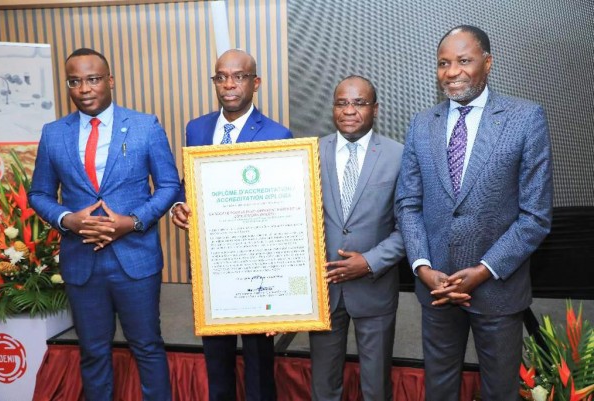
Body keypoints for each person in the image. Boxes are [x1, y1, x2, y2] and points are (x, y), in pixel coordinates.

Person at [395, 25, 553, 401]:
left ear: (488, 62)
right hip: (437, 289)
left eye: (463, 61)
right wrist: (423, 268)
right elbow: (407, 204)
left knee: (500, 392)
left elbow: (535, 215)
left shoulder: (525, 118)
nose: (452, 72)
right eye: (443, 63)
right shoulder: (421, 124)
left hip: (498, 288)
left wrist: (483, 271)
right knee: (439, 391)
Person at [28, 48, 180, 401]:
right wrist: (68, 219)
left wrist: (133, 221)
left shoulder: (145, 126)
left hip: (135, 260)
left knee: (147, 347)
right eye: (75, 81)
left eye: (93, 79)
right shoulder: (53, 133)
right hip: (82, 263)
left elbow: (169, 185)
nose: (84, 89)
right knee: (93, 353)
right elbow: (39, 193)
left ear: (110, 81)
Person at [171, 49, 292, 401]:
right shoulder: (196, 128)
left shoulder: (277, 134)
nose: (229, 84)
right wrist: (179, 204)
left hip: (256, 271)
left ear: (256, 83)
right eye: (221, 77)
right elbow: (187, 182)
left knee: (259, 365)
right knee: (217, 363)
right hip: (211, 268)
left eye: (238, 76)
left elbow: (283, 207)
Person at [309, 75, 406, 401]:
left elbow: (410, 227)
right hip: (324, 292)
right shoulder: (310, 152)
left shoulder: (398, 155)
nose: (349, 111)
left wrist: (368, 262)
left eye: (359, 103)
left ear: (375, 109)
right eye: (342, 103)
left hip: (374, 287)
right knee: (324, 387)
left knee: (376, 388)